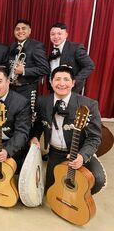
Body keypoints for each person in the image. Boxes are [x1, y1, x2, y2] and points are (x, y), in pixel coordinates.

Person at [30, 65, 106, 194]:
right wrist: (35, 136)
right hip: (55, 152)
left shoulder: (88, 105)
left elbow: (94, 137)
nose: (61, 83)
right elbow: (38, 124)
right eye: (57, 79)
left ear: (73, 83)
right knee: (52, 190)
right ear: (51, 82)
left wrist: (82, 156)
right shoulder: (43, 101)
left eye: (66, 79)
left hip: (78, 151)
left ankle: (81, 198)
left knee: (98, 179)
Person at [0, 67, 31, 171]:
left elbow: (21, 133)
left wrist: (7, 151)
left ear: (8, 82)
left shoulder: (21, 103)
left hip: (14, 144)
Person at [8, 19, 50, 101]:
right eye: (17, 29)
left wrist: (24, 71)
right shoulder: (12, 46)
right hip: (12, 88)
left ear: (29, 31)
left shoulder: (36, 46)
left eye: (23, 28)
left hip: (27, 89)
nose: (20, 31)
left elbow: (45, 69)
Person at [48, 22, 95, 93]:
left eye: (59, 34)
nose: (56, 37)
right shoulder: (48, 49)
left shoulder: (75, 48)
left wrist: (74, 80)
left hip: (71, 89)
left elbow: (90, 66)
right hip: (54, 88)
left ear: (66, 35)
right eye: (53, 34)